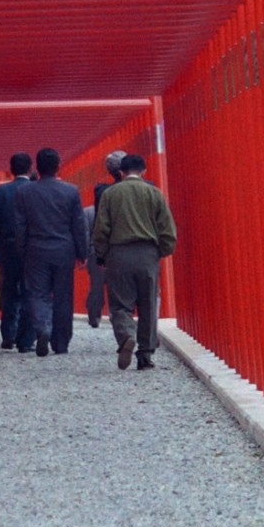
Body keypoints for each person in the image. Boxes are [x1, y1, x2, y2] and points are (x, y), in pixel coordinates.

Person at [91, 152, 176, 370]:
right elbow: (166, 228)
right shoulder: (154, 193)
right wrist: (161, 251)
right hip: (147, 253)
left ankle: (127, 335)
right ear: (144, 171)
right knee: (147, 304)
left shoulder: (110, 194)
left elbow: (101, 229)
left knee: (120, 304)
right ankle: (145, 355)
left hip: (118, 254)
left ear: (121, 172)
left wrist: (102, 254)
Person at [13, 147, 87, 357]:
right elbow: (78, 225)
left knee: (38, 293)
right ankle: (61, 342)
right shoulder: (71, 191)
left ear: (37, 166)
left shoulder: (25, 192)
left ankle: (43, 328)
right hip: (64, 249)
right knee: (63, 296)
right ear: (58, 166)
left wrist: (22, 251)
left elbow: (20, 226)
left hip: (36, 249)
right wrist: (82, 252)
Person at [0, 153, 32, 351]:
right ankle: (25, 337)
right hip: (30, 247)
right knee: (29, 290)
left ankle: (8, 334)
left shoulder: (1, 192)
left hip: (7, 246)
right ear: (30, 169)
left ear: (11, 170)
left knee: (9, 290)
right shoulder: (34, 190)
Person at [83, 150, 125, 327]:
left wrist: (85, 254)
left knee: (97, 287)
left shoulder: (87, 211)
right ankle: (121, 320)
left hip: (96, 250)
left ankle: (94, 315)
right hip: (121, 249)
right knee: (120, 287)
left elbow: (87, 233)